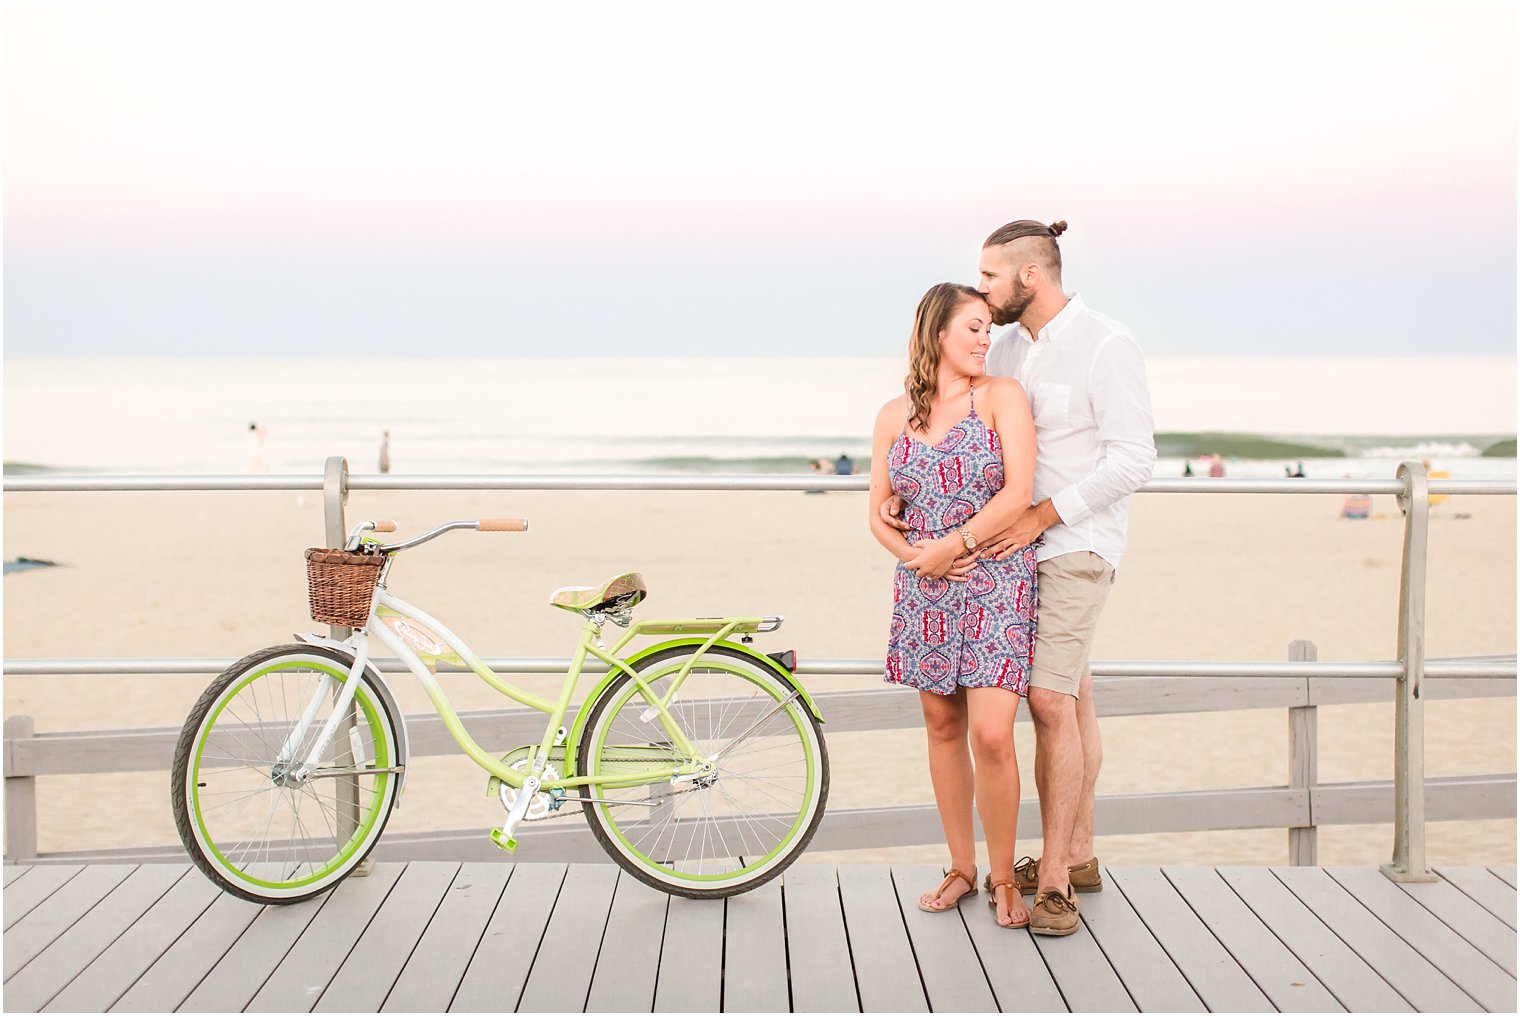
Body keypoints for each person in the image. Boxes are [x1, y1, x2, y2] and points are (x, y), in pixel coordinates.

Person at [884, 219, 1156, 937]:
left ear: (1030, 275)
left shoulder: (1107, 344)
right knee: (1073, 701)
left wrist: (1042, 516)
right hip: (1007, 555)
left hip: (1072, 542)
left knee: (1047, 701)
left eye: (992, 276)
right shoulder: (999, 345)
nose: (983, 291)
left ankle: (1057, 880)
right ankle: (1081, 853)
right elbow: (945, 421)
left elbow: (1133, 459)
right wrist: (899, 495)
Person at [868, 282, 1039, 930]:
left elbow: (1019, 492)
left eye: (987, 329)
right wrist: (918, 556)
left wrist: (954, 545)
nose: (983, 339)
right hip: (924, 587)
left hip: (995, 576)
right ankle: (962, 867)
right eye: (972, 327)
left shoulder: (1001, 397)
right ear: (937, 332)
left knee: (992, 734)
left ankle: (1003, 877)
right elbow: (878, 514)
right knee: (941, 727)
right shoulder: (894, 416)